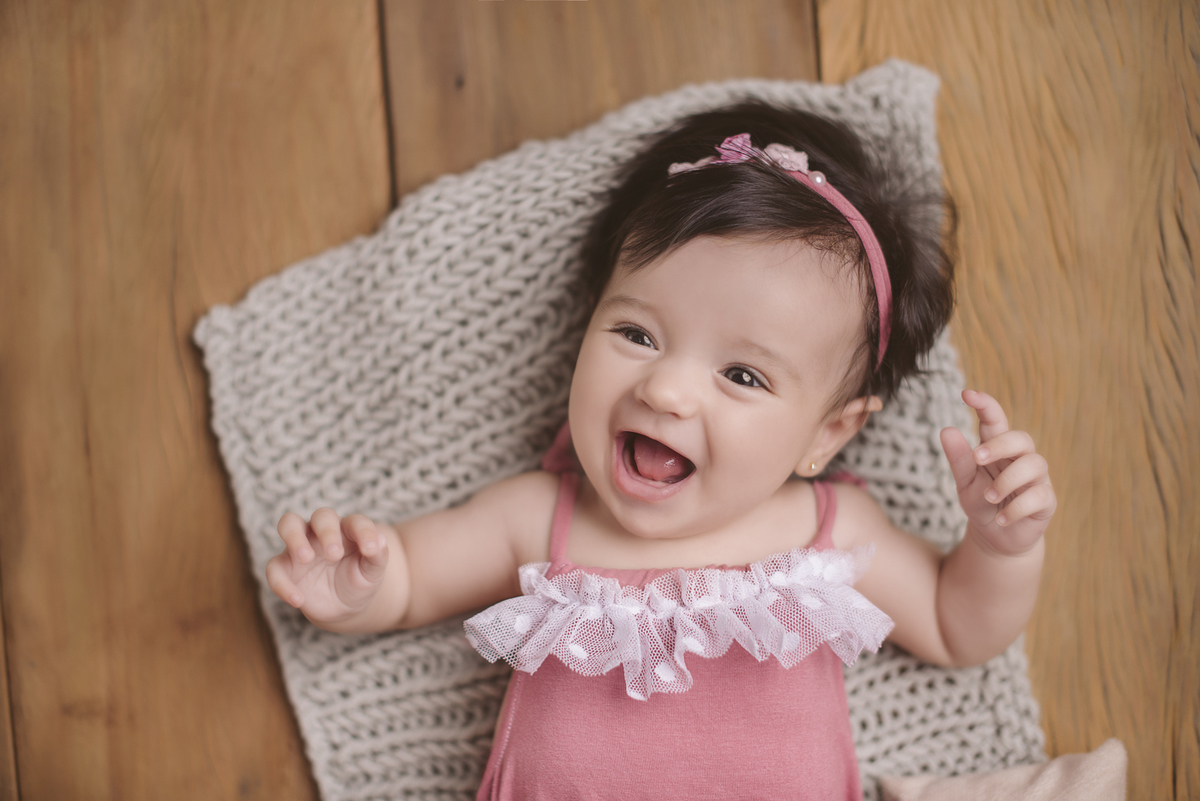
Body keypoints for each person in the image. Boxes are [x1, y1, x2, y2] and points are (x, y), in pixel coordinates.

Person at [265, 103, 1056, 800]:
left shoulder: (830, 532)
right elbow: (409, 579)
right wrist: (357, 586)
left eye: (742, 374)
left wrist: (1000, 544)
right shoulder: (544, 517)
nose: (668, 389)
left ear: (829, 433)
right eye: (636, 333)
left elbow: (960, 626)